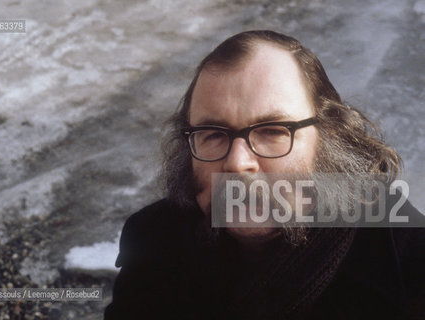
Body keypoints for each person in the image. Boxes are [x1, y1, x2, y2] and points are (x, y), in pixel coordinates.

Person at [104, 30, 425, 319]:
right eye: (212, 133)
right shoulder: (153, 240)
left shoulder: (402, 253)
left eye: (272, 131)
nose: (238, 163)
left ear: (330, 137)